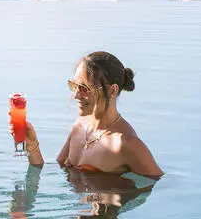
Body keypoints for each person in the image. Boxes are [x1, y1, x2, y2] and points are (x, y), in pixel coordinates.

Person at [22, 51, 163, 177]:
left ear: (112, 91)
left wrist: (114, 197)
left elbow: (159, 186)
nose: (76, 95)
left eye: (84, 88)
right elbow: (54, 172)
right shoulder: (79, 126)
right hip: (78, 205)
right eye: (74, 86)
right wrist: (33, 147)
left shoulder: (126, 144)